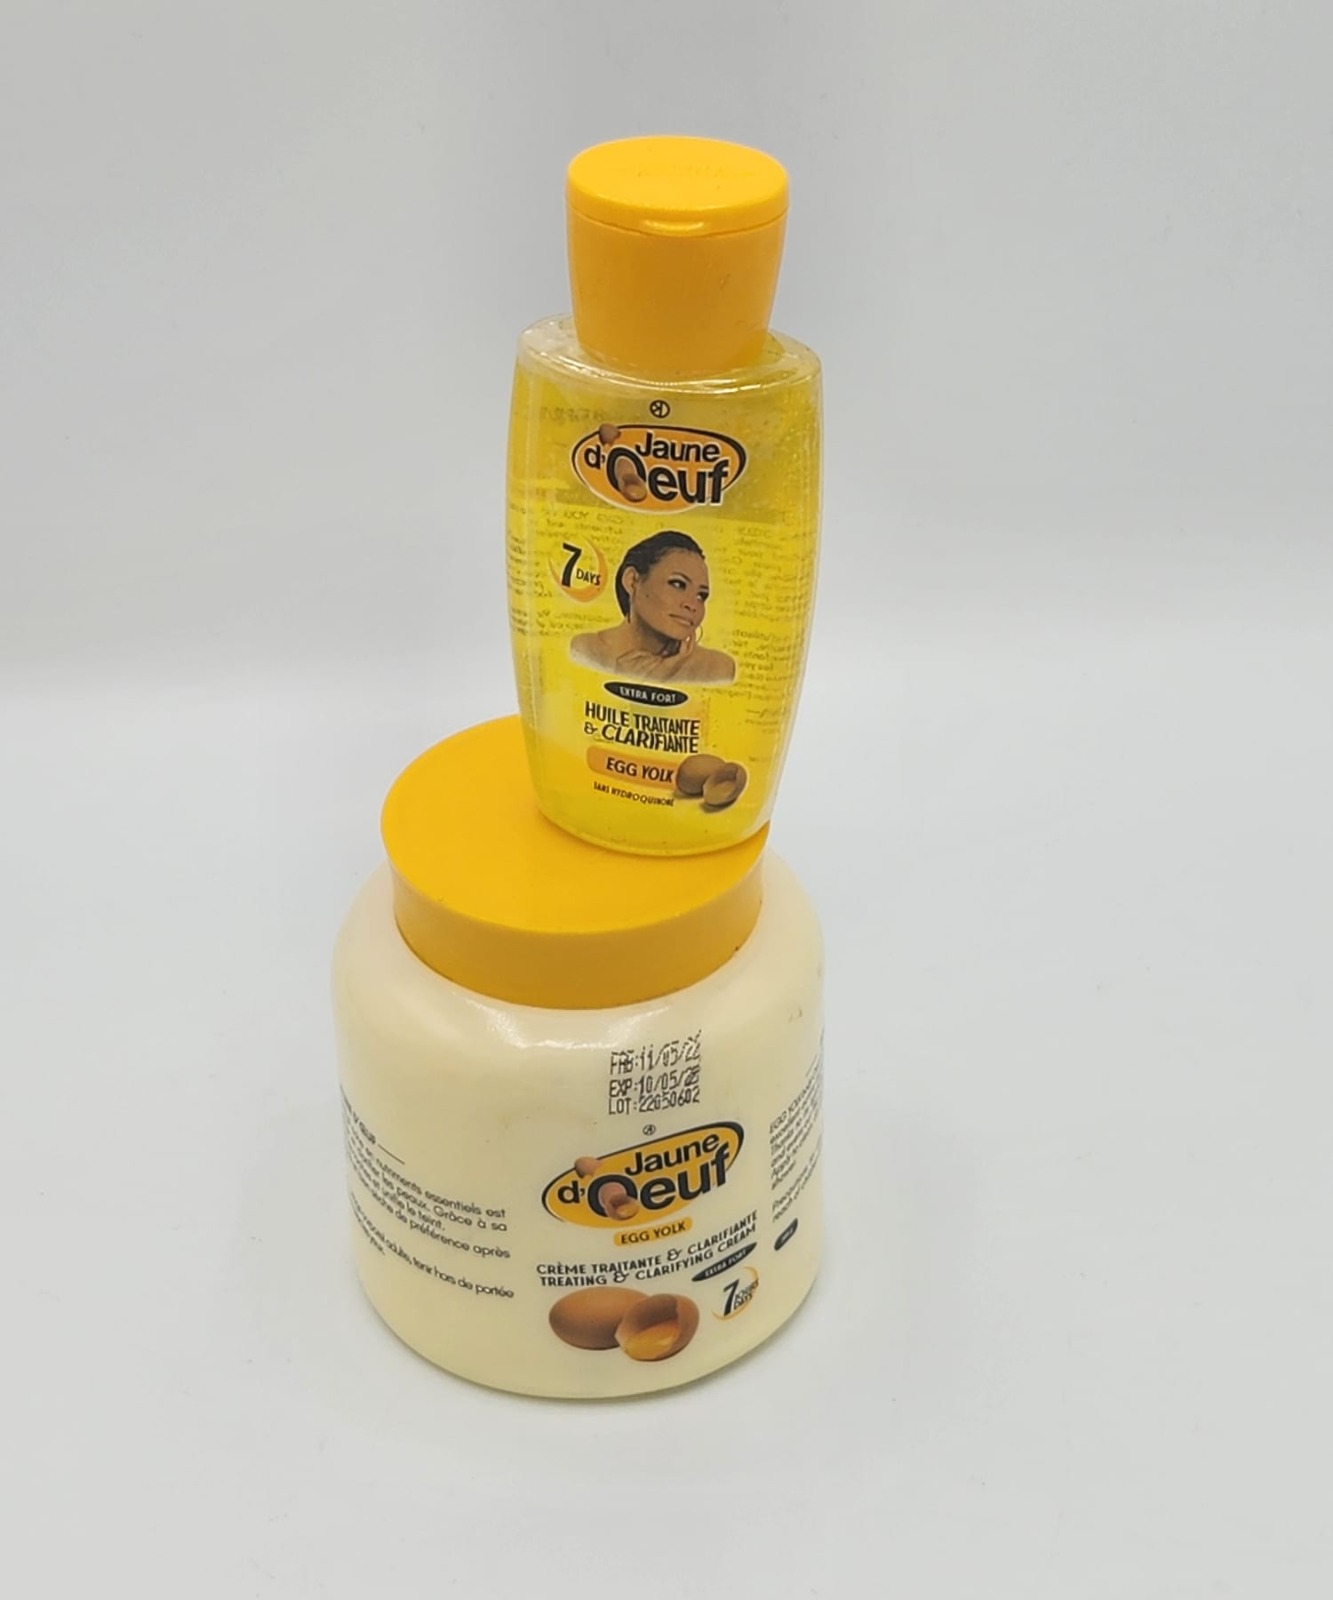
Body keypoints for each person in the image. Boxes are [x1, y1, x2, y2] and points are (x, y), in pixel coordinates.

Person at [570, 530, 737, 685]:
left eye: (701, 595)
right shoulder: (586, 650)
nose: (692, 605)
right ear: (632, 581)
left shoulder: (718, 668)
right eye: (678, 584)